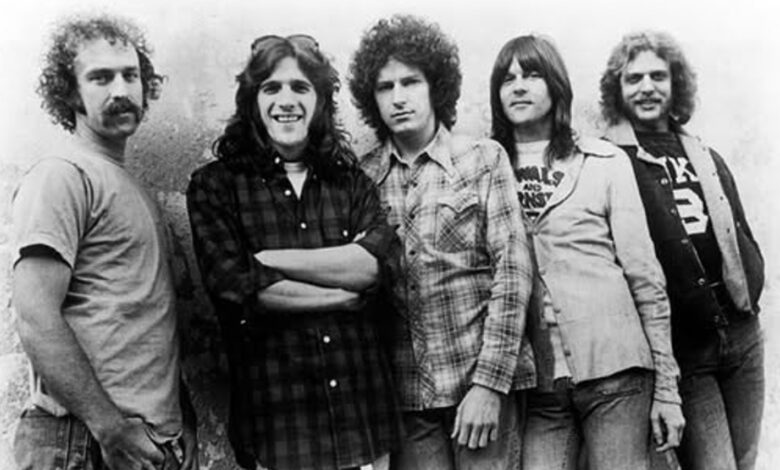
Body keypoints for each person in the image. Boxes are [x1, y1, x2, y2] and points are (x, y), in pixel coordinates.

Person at [186, 34, 403, 470]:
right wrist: (340, 295)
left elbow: (372, 268)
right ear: (252, 101)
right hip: (280, 428)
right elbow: (239, 288)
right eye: (272, 88)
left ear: (320, 100)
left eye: (301, 87)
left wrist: (269, 260)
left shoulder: (352, 183)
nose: (286, 100)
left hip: (363, 421)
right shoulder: (215, 187)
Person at [489, 35, 685, 470]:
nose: (518, 86)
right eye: (507, 78)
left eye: (532, 74)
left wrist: (668, 390)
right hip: (539, 387)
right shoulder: (485, 169)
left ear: (556, 85)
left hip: (616, 373)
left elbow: (645, 278)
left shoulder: (604, 161)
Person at [12, 14, 198, 470]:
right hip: (85, 441)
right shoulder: (62, 175)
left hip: (142, 442)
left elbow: (142, 318)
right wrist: (108, 427)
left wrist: (181, 416)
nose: (121, 90)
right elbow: (35, 316)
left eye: (130, 75)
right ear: (70, 92)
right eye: (101, 78)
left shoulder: (132, 188)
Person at [349, 14, 534, 470]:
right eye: (384, 87)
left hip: (479, 388)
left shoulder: (483, 159)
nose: (398, 97)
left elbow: (512, 275)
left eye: (410, 82)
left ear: (436, 86)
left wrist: (489, 386)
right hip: (408, 401)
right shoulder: (363, 177)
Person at [600, 31, 765, 470]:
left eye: (658, 76)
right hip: (685, 348)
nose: (647, 87)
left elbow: (737, 230)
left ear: (676, 84)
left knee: (746, 461)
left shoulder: (704, 153)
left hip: (742, 335)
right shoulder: (611, 161)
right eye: (634, 78)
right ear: (617, 89)